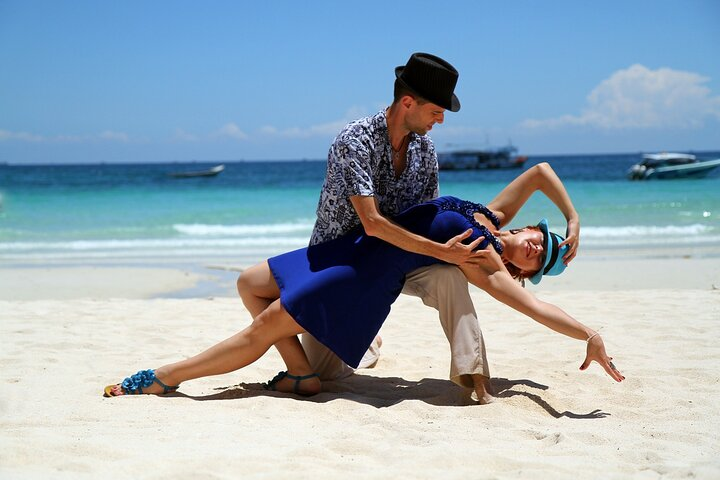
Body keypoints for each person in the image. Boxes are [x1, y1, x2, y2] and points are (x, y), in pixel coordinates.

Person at [104, 163, 625, 401]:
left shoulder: (484, 260)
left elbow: (537, 312)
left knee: (264, 324)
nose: (539, 248)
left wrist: (589, 334)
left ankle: (167, 376)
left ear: (523, 272)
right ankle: (301, 375)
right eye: (544, 239)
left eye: (542, 260)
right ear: (530, 226)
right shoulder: (490, 213)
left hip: (364, 277)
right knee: (250, 282)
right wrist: (575, 220)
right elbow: (540, 171)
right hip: (350, 247)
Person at [294, 52, 546, 404]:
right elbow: (372, 223)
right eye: (436, 111)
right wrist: (442, 252)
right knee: (326, 374)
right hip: (340, 261)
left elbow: (428, 220)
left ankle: (475, 379)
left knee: (450, 280)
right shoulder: (355, 140)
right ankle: (368, 343)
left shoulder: (425, 151)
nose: (440, 120)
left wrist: (474, 258)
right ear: (408, 103)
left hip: (402, 257)